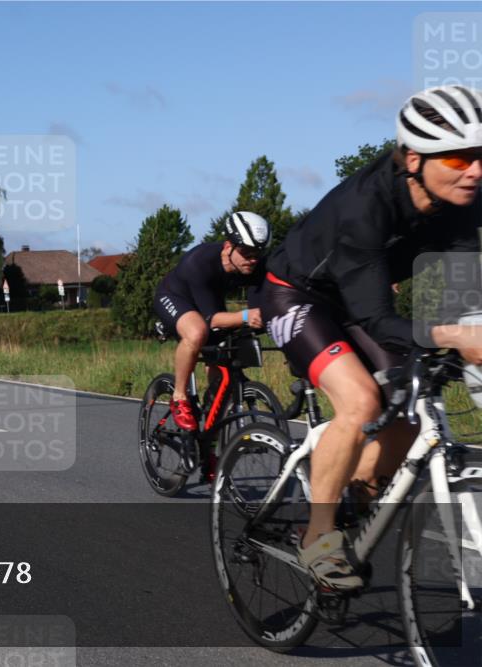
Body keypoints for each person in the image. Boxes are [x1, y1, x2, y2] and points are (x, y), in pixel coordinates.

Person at [261, 85, 482, 590]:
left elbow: (464, 288)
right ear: (410, 158)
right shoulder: (365, 208)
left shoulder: (465, 200)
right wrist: (454, 333)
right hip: (295, 295)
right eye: (455, 157)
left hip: (360, 297)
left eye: (480, 155)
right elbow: (379, 319)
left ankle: (356, 494)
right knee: (360, 403)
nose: (474, 170)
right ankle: (317, 534)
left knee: (412, 401)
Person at [153, 212, 271, 431]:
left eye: (257, 253)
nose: (252, 259)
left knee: (224, 352)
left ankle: (210, 425)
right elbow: (210, 320)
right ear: (228, 247)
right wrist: (246, 316)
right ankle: (179, 397)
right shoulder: (199, 262)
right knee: (197, 332)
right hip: (175, 296)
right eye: (246, 252)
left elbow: (259, 308)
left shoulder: (254, 265)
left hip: (209, 299)